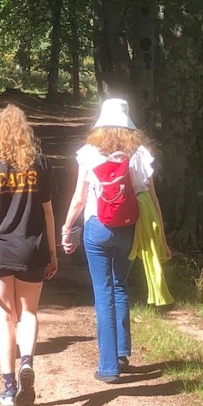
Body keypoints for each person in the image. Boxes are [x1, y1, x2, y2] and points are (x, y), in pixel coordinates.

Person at [60, 97, 171, 382]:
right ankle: (122, 353)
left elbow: (79, 198)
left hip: (97, 226)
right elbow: (153, 197)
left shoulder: (88, 152)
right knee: (120, 285)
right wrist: (161, 235)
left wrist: (67, 226)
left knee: (103, 293)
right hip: (130, 227)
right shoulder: (140, 154)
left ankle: (108, 367)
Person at [0, 104, 58, 406]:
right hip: (33, 249)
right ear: (26, 131)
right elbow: (47, 210)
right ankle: (27, 361)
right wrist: (52, 251)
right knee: (28, 313)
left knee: (5, 318)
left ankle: (8, 387)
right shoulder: (40, 163)